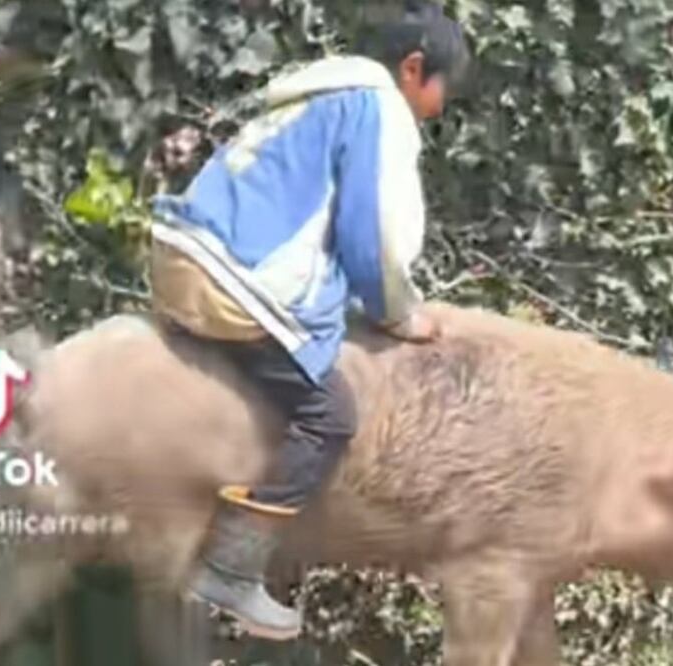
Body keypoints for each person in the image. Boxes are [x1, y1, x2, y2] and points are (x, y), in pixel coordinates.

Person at [145, 0, 470, 640]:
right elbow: (371, 241)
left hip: (178, 260)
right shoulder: (379, 110)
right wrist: (403, 317)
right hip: (236, 280)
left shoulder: (308, 93)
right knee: (331, 416)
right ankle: (231, 567)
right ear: (413, 69)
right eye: (442, 93)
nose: (438, 110)